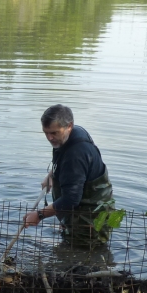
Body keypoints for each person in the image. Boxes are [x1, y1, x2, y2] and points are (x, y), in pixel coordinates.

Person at [22, 104, 114, 248]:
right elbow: (64, 162)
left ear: (69, 126)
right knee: (65, 255)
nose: (49, 138)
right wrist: (52, 174)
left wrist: (39, 215)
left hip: (89, 223)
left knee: (80, 261)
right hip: (76, 217)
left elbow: (71, 199)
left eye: (54, 133)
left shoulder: (76, 154)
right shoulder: (67, 138)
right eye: (45, 133)